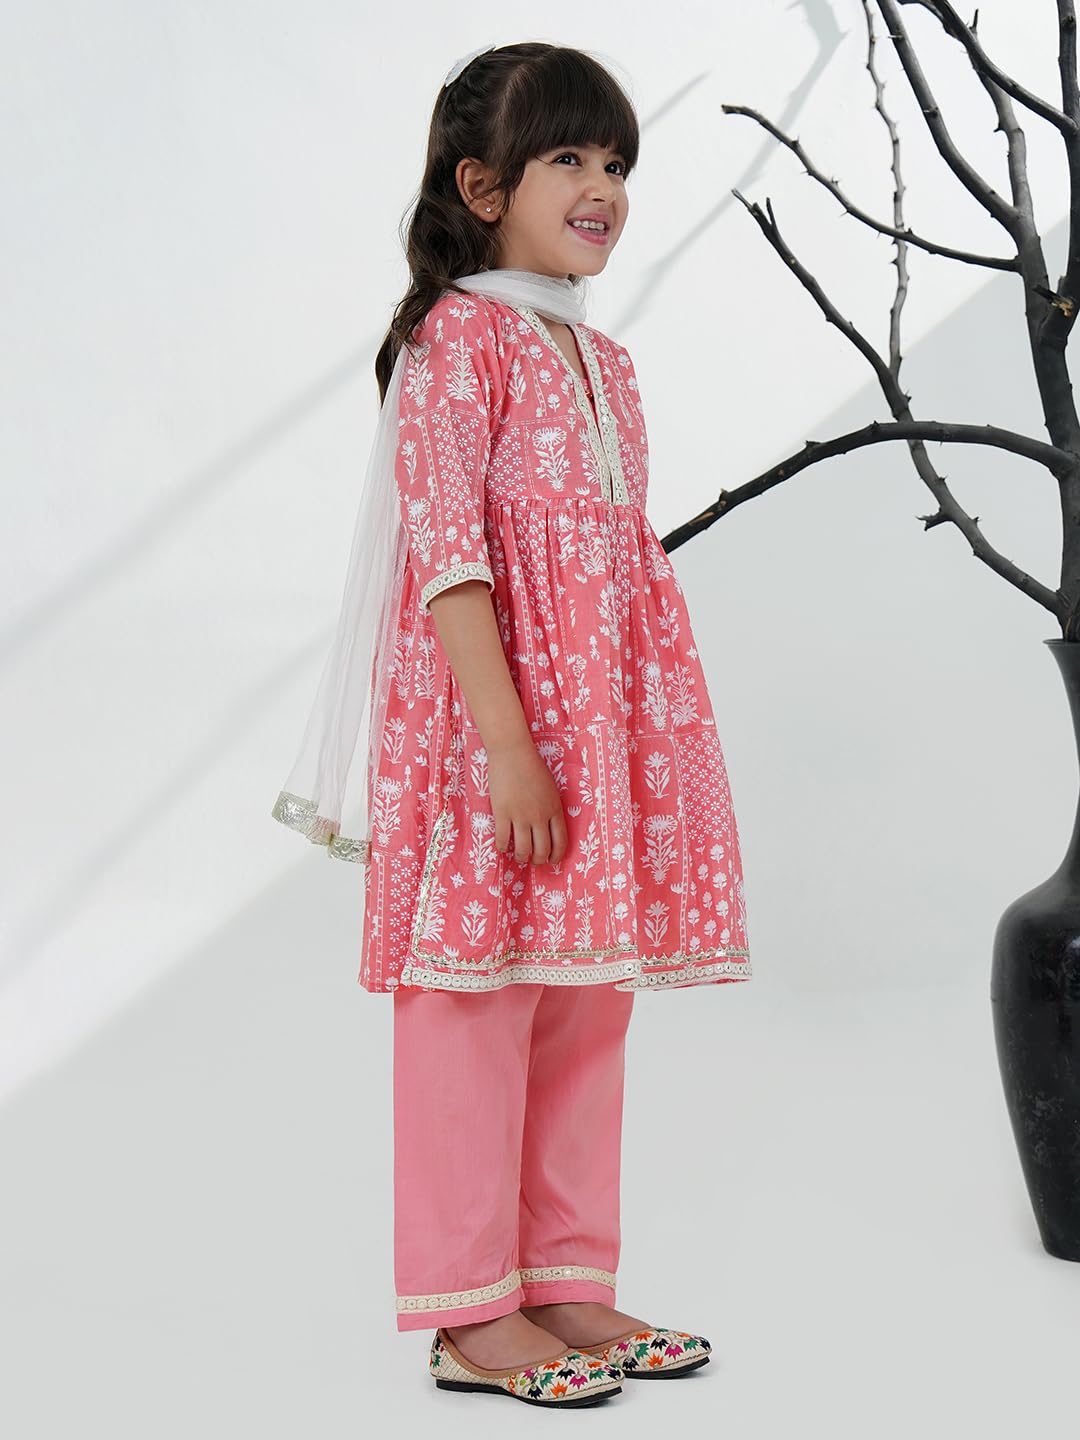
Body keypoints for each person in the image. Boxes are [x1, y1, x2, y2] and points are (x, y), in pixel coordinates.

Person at [273, 41, 751, 1408]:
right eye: (568, 159)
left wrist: (629, 736)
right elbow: (451, 559)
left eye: (617, 164)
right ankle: (470, 1312)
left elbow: (608, 566)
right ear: (484, 188)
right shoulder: (456, 343)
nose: (603, 188)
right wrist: (507, 746)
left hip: (600, 732)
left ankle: (565, 1279)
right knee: (473, 1005)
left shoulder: (605, 362)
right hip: (496, 737)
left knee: (584, 997)